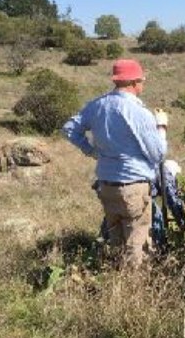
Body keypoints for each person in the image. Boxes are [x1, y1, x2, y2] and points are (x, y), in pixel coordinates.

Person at [62, 58, 168, 267]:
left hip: (106, 183)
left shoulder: (97, 105)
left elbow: (69, 129)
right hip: (134, 185)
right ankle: (133, 291)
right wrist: (162, 126)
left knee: (116, 239)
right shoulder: (138, 112)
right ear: (134, 82)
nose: (143, 85)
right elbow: (158, 154)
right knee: (137, 243)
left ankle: (116, 281)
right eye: (142, 80)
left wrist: (92, 150)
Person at [151, 159, 185, 247]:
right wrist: (181, 221)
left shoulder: (158, 169)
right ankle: (160, 247)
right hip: (141, 194)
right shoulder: (166, 174)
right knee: (157, 218)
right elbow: (171, 198)